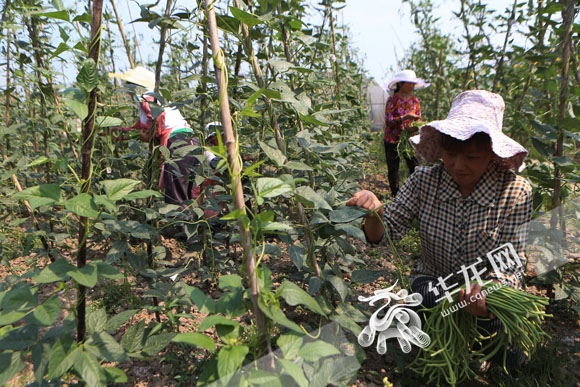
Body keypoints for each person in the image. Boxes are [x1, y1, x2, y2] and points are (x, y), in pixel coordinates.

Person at [348, 90, 531, 367]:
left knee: (506, 353)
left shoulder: (515, 192)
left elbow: (511, 260)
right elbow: (385, 235)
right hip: (436, 281)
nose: (458, 165)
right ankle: (438, 343)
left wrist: (487, 291)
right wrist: (375, 213)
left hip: (486, 291)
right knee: (428, 300)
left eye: (472, 157)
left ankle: (492, 343)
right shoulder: (424, 181)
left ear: (492, 154)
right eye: (450, 154)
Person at [108, 67, 200, 207]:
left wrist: (151, 135)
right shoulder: (149, 102)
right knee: (187, 196)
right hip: (188, 142)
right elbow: (138, 129)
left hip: (178, 144)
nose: (126, 90)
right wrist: (114, 133)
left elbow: (158, 118)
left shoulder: (146, 97)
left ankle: (181, 227)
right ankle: (190, 226)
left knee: (177, 199)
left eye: (127, 85)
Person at [384, 69, 429, 197]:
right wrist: (404, 117)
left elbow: (418, 118)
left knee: (414, 166)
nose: (412, 86)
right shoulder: (392, 100)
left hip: (409, 139)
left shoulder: (415, 100)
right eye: (409, 83)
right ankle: (396, 195)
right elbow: (389, 121)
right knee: (393, 169)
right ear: (401, 84)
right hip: (392, 139)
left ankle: (417, 193)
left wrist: (413, 127)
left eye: (413, 83)